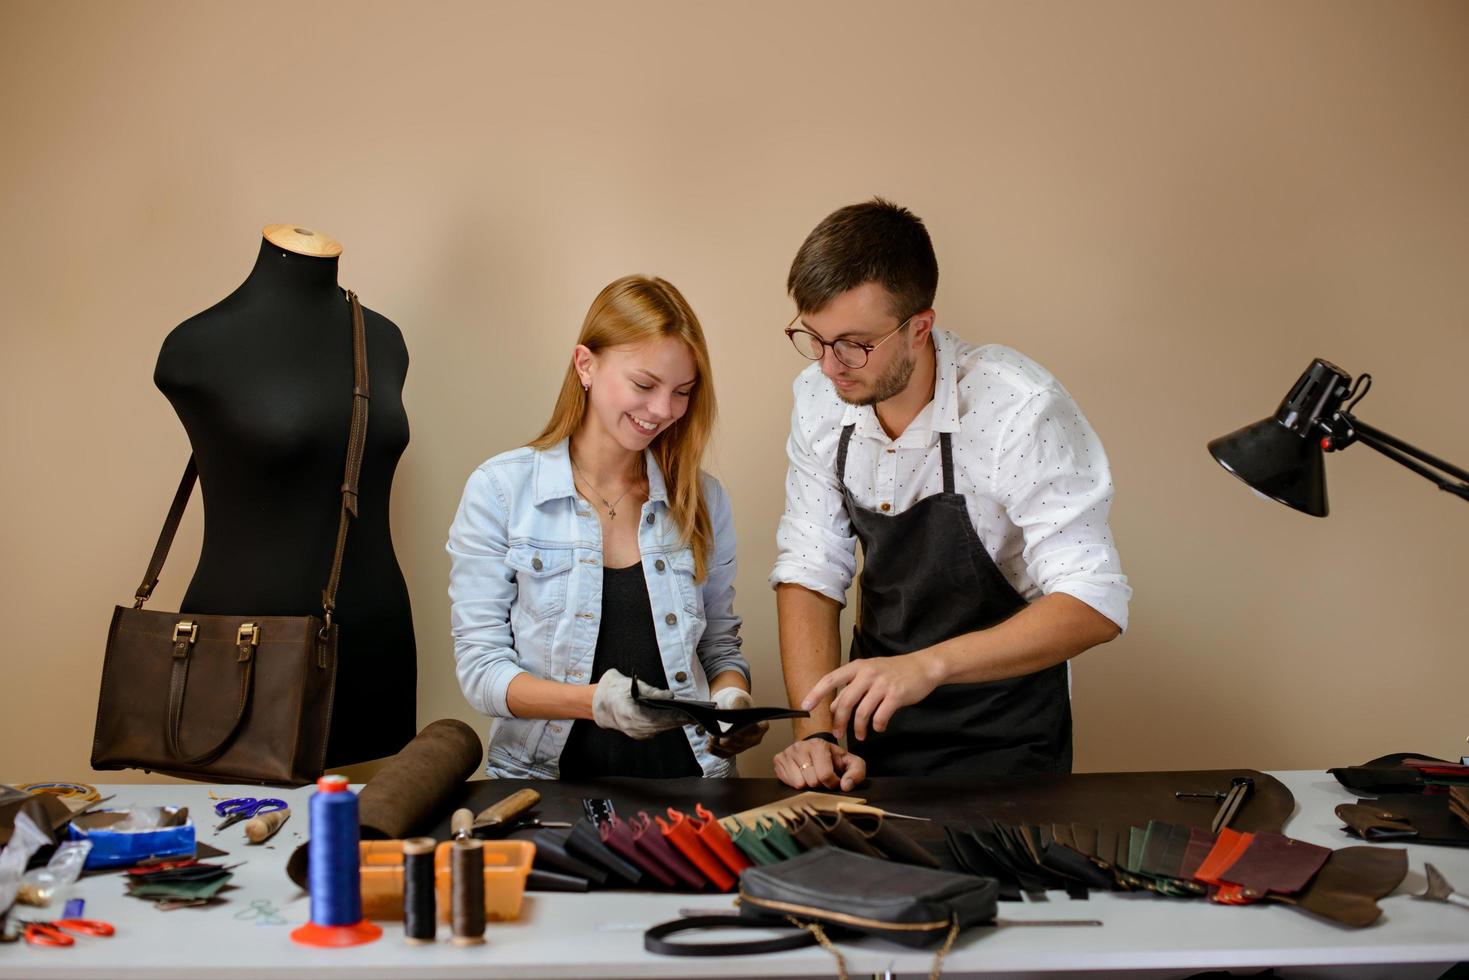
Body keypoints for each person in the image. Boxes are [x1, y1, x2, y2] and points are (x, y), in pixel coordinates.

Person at [769, 199, 1131, 790]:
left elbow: (1094, 602)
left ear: (919, 326)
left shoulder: (1018, 407)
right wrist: (816, 732)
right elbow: (811, 569)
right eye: (815, 338)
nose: (831, 365)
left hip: (1006, 735)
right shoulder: (818, 399)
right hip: (871, 726)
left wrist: (928, 667)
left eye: (856, 344)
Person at [448, 275, 764, 779]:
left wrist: (730, 696)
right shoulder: (501, 492)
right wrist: (595, 702)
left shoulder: (702, 500)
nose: (663, 411)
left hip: (691, 784)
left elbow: (719, 646)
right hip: (546, 789)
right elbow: (482, 672)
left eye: (682, 392)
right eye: (644, 385)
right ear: (585, 365)